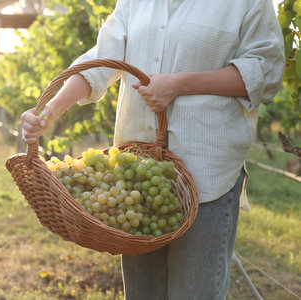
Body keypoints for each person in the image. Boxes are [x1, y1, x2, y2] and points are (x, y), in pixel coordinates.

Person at [20, 0, 285, 299]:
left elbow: (267, 70)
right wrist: (50, 111)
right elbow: (101, 60)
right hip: (139, 178)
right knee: (142, 293)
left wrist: (177, 84)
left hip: (208, 174)